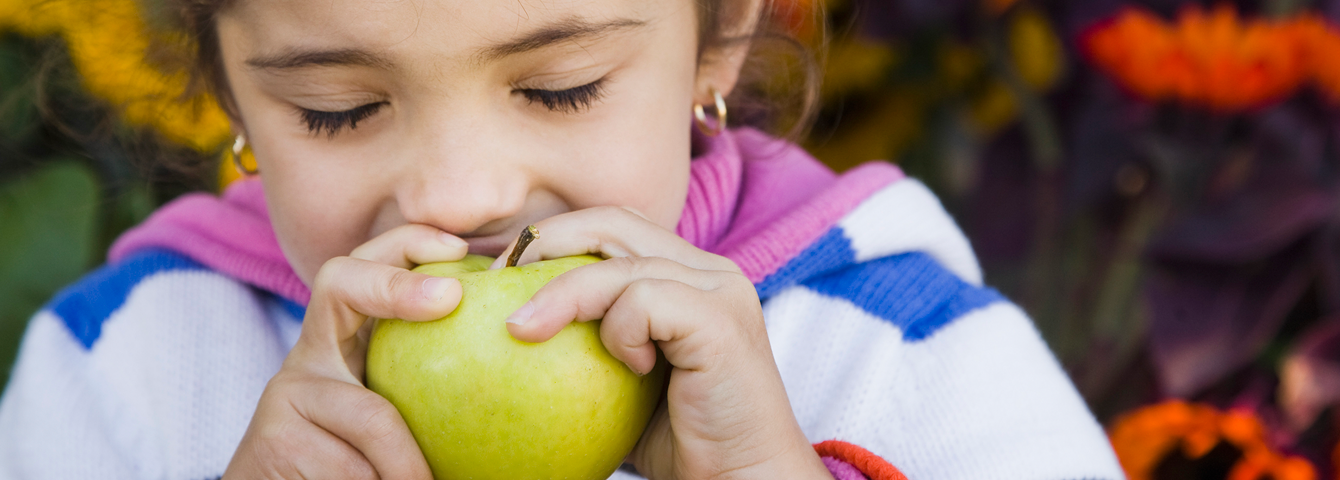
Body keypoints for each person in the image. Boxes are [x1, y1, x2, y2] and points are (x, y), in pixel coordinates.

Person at [0, 0, 1125, 478]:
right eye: (337, 109)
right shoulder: (127, 362)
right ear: (230, 100)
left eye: (557, 88)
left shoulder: (904, 353)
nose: (457, 196)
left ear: (717, 39)